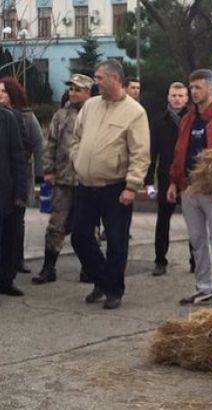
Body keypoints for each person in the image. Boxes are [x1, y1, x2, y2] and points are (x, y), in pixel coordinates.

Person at [69, 60, 150, 310]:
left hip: (115, 188)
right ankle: (103, 279)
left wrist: (132, 186)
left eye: (100, 77)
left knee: (116, 241)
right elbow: (76, 138)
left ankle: (114, 290)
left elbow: (140, 153)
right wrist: (77, 158)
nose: (96, 82)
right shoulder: (91, 106)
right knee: (80, 237)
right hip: (85, 185)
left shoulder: (134, 112)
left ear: (115, 79)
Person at [167, 69, 212, 305]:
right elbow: (179, 152)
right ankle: (204, 288)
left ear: (211, 88)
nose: (193, 92)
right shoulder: (187, 119)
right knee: (197, 241)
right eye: (191, 87)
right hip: (189, 189)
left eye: (198, 87)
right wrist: (174, 182)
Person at [32, 74, 94, 285]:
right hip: (64, 179)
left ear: (88, 92)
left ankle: (89, 267)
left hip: (88, 180)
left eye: (78, 89)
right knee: (56, 225)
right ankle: (48, 268)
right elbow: (50, 144)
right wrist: (48, 171)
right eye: (71, 89)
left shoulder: (94, 114)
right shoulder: (61, 115)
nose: (73, 93)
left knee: (87, 227)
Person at [144, 82, 190, 276]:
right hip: (165, 177)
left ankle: (196, 260)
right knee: (163, 221)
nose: (177, 99)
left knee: (194, 222)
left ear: (186, 98)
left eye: (180, 96)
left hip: (189, 177)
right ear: (168, 97)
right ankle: (160, 260)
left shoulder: (192, 119)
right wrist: (148, 180)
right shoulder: (158, 121)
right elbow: (151, 152)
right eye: (173, 95)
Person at [0, 77, 44, 274]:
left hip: (20, 174)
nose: (0, 94)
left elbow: (38, 146)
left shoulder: (25, 117)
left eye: (4, 91)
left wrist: (41, 177)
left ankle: (16, 261)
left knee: (17, 220)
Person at [0, 105, 27, 296]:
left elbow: (18, 158)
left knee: (8, 240)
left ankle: (5, 281)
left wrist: (20, 192)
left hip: (5, 191)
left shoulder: (7, 119)